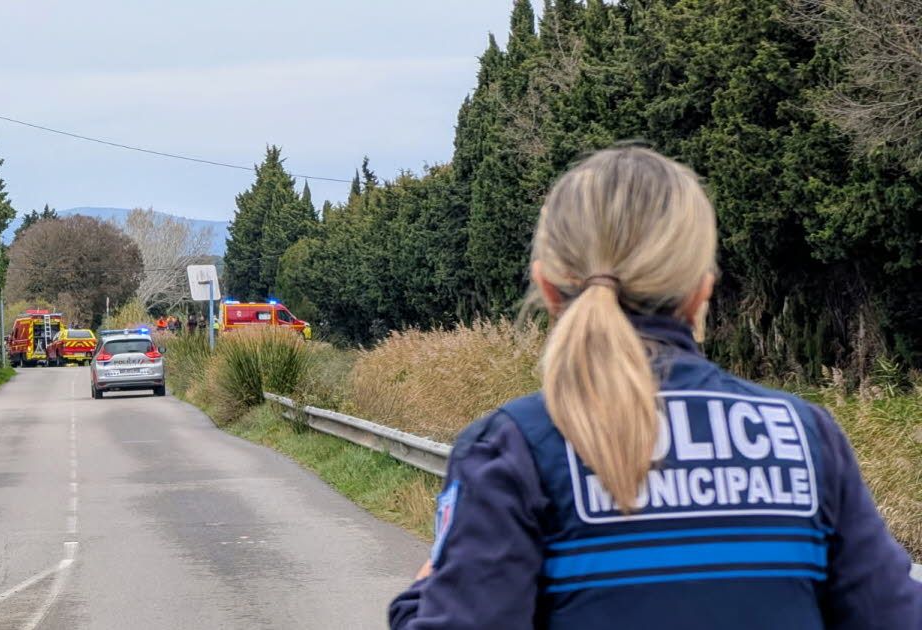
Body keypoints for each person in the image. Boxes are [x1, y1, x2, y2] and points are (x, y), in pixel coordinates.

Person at [388, 147, 922, 629]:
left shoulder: (512, 449)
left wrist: (422, 594)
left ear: (549, 287)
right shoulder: (806, 438)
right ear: (700, 291)